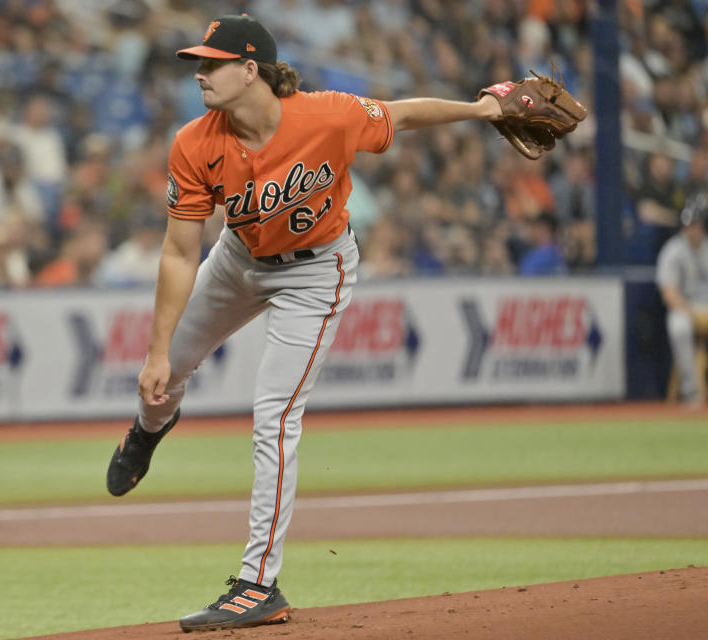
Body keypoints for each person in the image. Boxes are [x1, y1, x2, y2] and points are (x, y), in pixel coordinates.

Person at [105, 14, 505, 632]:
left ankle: (258, 584)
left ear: (250, 69)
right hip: (236, 259)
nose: (201, 75)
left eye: (212, 64)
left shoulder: (328, 114)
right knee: (166, 375)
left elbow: (404, 113)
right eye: (198, 64)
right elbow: (181, 252)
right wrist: (156, 352)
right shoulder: (193, 142)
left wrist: (482, 112)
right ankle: (147, 432)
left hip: (316, 272)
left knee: (275, 413)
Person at [656, 193, 708, 405]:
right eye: (687, 226)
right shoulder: (673, 250)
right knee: (679, 327)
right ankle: (691, 391)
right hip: (685, 307)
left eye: (695, 225)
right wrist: (690, 313)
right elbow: (669, 292)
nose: (691, 230)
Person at [518, 211, 566, 275]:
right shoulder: (531, 254)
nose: (531, 231)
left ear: (544, 229)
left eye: (534, 227)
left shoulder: (552, 256)